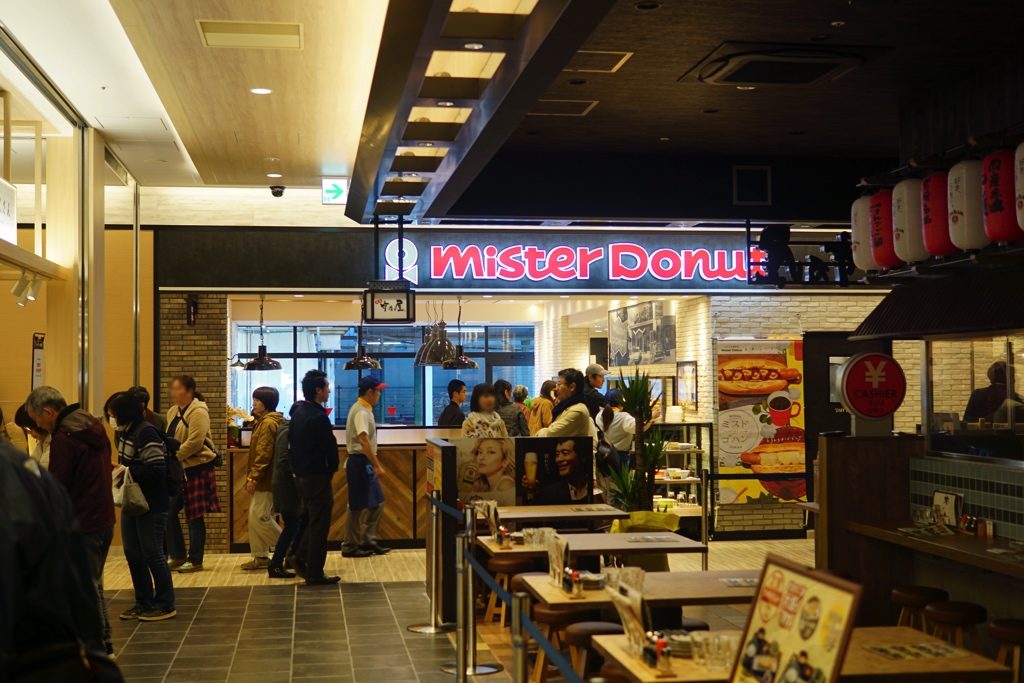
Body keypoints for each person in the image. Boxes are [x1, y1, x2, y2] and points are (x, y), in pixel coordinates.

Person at [0, 440, 123, 681]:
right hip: (47, 652)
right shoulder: (28, 471)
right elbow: (76, 581)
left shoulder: (22, 474)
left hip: (28, 657)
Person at [25, 385, 116, 655]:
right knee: (95, 584)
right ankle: (104, 642)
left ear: (48, 412)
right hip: (104, 518)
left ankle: (97, 649)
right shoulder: (92, 426)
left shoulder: (65, 437)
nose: (37, 425)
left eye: (36, 419)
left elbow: (58, 485)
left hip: (81, 523)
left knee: (85, 588)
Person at [108, 392, 176, 622]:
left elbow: (157, 469)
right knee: (133, 554)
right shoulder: (126, 432)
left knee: (153, 554)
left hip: (151, 503)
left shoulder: (145, 432)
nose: (111, 419)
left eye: (113, 414)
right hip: (133, 501)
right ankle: (143, 602)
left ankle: (165, 603)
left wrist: (124, 470)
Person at [289, 369, 341, 585]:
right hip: (317, 476)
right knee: (320, 523)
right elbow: (329, 448)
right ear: (318, 390)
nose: (329, 390)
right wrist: (332, 469)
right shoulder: (319, 417)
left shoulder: (298, 413)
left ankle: (298, 557)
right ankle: (315, 572)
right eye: (327, 387)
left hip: (300, 475)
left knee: (310, 518)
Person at [165, 375, 220, 574]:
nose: (173, 392)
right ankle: (177, 555)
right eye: (173, 388)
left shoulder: (199, 411)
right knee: (169, 512)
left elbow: (196, 441)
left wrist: (174, 456)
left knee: (194, 516)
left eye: (177, 388)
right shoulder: (172, 411)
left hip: (197, 467)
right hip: (178, 469)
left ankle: (195, 560)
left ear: (189, 391)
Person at [344, 376, 390, 558]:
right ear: (370, 391)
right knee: (356, 506)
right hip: (359, 462)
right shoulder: (361, 412)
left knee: (377, 502)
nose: (379, 394)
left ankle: (368, 541)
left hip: (363, 462)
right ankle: (350, 546)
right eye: (378, 391)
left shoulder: (365, 409)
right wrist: (377, 465)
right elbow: (363, 440)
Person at [242, 386, 284, 572]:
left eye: (257, 400)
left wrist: (253, 477)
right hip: (266, 478)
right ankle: (260, 556)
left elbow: (264, 453)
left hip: (266, 479)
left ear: (266, 404)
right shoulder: (265, 421)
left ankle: (288, 547)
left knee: (260, 516)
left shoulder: (267, 423)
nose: (254, 403)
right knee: (254, 516)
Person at [269, 416, 303, 579]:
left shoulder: (286, 430)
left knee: (294, 524)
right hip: (286, 485)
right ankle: (275, 564)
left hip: (284, 484)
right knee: (292, 524)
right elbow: (284, 461)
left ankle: (288, 559)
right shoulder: (288, 432)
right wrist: (297, 480)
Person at [537, 368, 598, 440]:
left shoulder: (577, 410)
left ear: (572, 387)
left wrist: (540, 432)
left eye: (559, 384)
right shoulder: (566, 406)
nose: (556, 389)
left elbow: (551, 434)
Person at [533, 439, 590, 504]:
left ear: (582, 457)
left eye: (565, 453)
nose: (558, 460)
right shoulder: (550, 493)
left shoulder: (593, 487)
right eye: (557, 455)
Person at [468, 438, 516, 505]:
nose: (481, 457)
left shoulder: (505, 484)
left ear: (505, 462)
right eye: (480, 452)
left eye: (491, 452)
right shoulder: (483, 484)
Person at [15, 404, 50, 468]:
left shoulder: (55, 444)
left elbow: (41, 471)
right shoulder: (43, 442)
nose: (29, 433)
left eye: (28, 428)